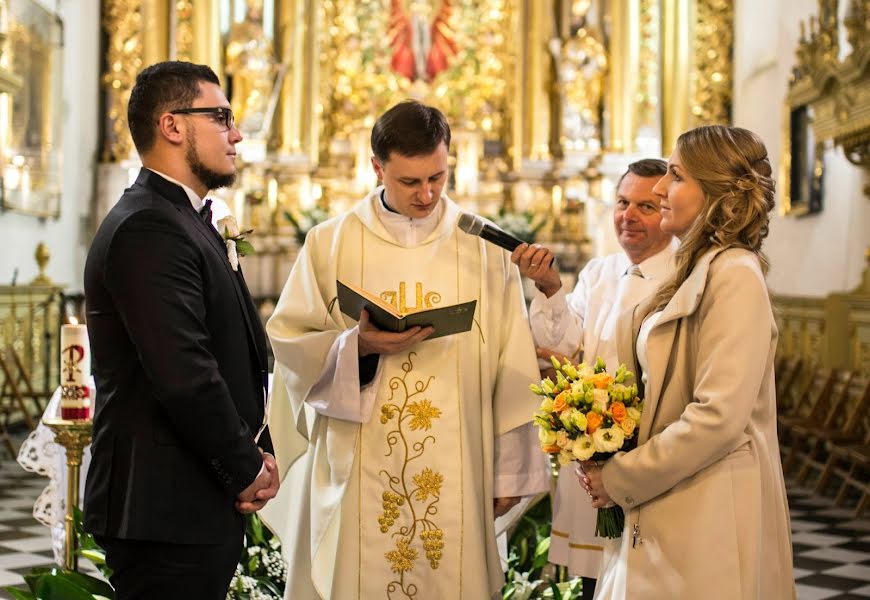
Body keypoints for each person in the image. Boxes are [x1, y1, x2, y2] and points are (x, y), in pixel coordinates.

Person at [261, 100, 549, 600]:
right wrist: (357, 347)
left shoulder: (484, 248)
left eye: (438, 177)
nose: (427, 194)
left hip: (461, 462)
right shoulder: (330, 243)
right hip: (359, 462)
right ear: (377, 168)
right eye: (410, 182)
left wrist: (511, 468)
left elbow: (513, 362)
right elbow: (289, 343)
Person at [83, 61, 279, 599]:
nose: (237, 133)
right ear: (172, 126)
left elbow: (235, 349)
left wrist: (257, 449)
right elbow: (184, 373)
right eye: (221, 117)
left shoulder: (184, 219)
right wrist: (244, 467)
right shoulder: (149, 226)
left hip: (186, 501)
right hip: (162, 507)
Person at [579, 125, 794, 599]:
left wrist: (619, 477)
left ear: (714, 191)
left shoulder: (735, 274)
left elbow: (718, 417)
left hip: (707, 508)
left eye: (675, 176)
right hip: (669, 497)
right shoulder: (697, 268)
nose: (659, 188)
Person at [511, 158, 676, 599]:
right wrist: (549, 287)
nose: (628, 215)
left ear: (671, 211)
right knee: (593, 582)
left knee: (644, 576)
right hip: (590, 456)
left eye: (646, 205)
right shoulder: (599, 272)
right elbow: (564, 346)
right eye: (623, 202)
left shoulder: (684, 278)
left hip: (650, 456)